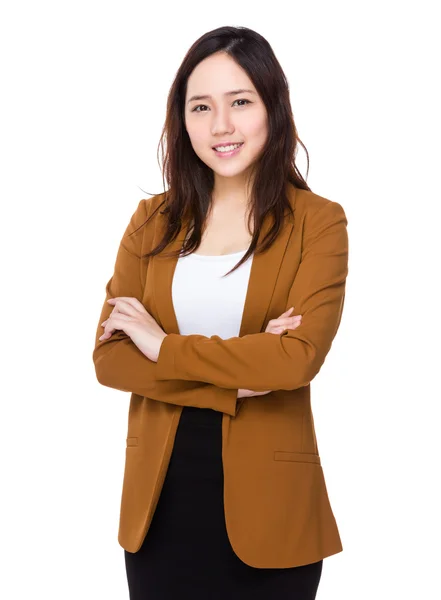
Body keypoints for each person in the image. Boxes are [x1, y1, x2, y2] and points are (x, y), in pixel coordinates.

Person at [92, 25, 349, 600]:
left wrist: (161, 346)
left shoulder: (319, 222)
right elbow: (110, 360)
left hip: (274, 512)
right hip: (158, 509)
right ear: (181, 119)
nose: (221, 126)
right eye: (201, 106)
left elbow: (294, 361)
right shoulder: (151, 221)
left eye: (240, 102)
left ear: (272, 107)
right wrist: (236, 380)